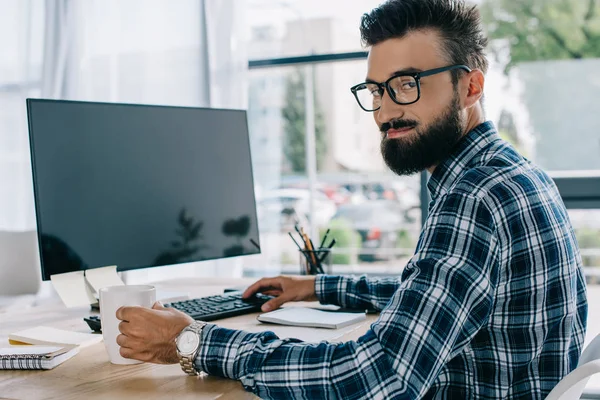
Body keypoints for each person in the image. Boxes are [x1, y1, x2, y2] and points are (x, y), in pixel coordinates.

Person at [115, 0, 588, 398]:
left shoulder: (474, 196)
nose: (385, 109)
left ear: (471, 85)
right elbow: (440, 295)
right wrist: (319, 287)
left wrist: (193, 341)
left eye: (407, 84)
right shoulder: (515, 174)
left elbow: (380, 375)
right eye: (376, 90)